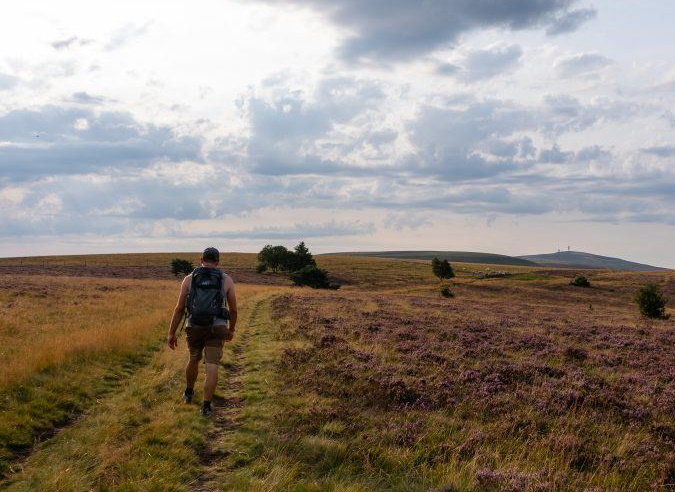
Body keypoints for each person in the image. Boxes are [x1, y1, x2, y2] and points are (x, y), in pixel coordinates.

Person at [167, 247, 238, 417]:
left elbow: (179, 309)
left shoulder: (189, 279)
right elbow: (234, 310)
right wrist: (231, 329)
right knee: (212, 365)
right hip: (217, 327)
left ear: (201, 259)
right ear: (217, 262)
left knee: (194, 359)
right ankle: (206, 406)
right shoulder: (226, 279)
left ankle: (189, 392)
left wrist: (171, 333)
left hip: (195, 326)